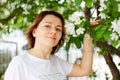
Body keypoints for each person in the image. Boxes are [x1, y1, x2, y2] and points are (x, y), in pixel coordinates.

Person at [4, 10, 97, 80]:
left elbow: (84, 70)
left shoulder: (56, 62)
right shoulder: (20, 63)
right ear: (34, 32)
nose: (53, 31)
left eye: (58, 29)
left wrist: (88, 38)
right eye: (47, 26)